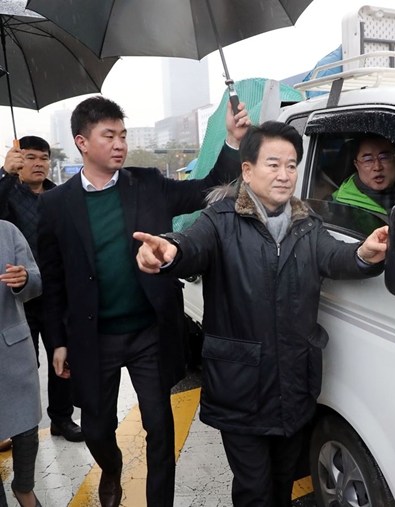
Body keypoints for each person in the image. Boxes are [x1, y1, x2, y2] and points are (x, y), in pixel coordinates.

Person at [134, 121, 388, 507]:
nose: (284, 175)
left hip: (294, 383)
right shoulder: (219, 221)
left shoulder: (308, 225)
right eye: (273, 164)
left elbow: (338, 258)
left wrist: (364, 254)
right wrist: (169, 250)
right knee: (254, 489)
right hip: (241, 388)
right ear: (247, 170)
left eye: (291, 165)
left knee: (284, 480)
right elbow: (191, 247)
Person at [37, 96, 250, 507]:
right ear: (82, 142)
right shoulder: (55, 204)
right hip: (93, 336)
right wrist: (58, 342)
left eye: (122, 135)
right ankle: (111, 468)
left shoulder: (148, 184)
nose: (119, 144)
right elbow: (54, 280)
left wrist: (233, 140)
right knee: (97, 429)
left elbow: (209, 188)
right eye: (109, 136)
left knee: (160, 428)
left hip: (150, 332)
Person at [0, 136, 83, 444]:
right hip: (16, 296)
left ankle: (62, 418)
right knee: (20, 364)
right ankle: (13, 425)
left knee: (62, 357)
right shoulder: (8, 194)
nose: (38, 163)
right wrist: (5, 174)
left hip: (54, 294)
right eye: (31, 157)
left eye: (44, 158)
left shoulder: (58, 195)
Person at [0, 220, 43, 507]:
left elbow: (37, 282)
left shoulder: (7, 231)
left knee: (27, 428)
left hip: (10, 347)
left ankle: (23, 487)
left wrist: (25, 279)